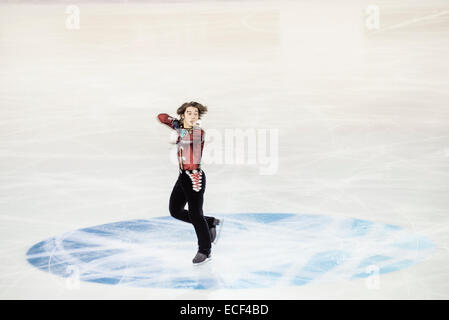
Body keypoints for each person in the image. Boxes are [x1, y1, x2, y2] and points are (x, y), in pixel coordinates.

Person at [157, 101, 222, 265]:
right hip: (182, 177)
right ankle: (210, 222)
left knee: (195, 214)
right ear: (183, 115)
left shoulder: (198, 132)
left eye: (195, 114)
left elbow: (186, 140)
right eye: (189, 113)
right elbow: (162, 117)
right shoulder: (180, 127)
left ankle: (205, 251)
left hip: (195, 179)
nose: (193, 116)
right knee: (175, 210)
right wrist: (175, 122)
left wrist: (179, 134)